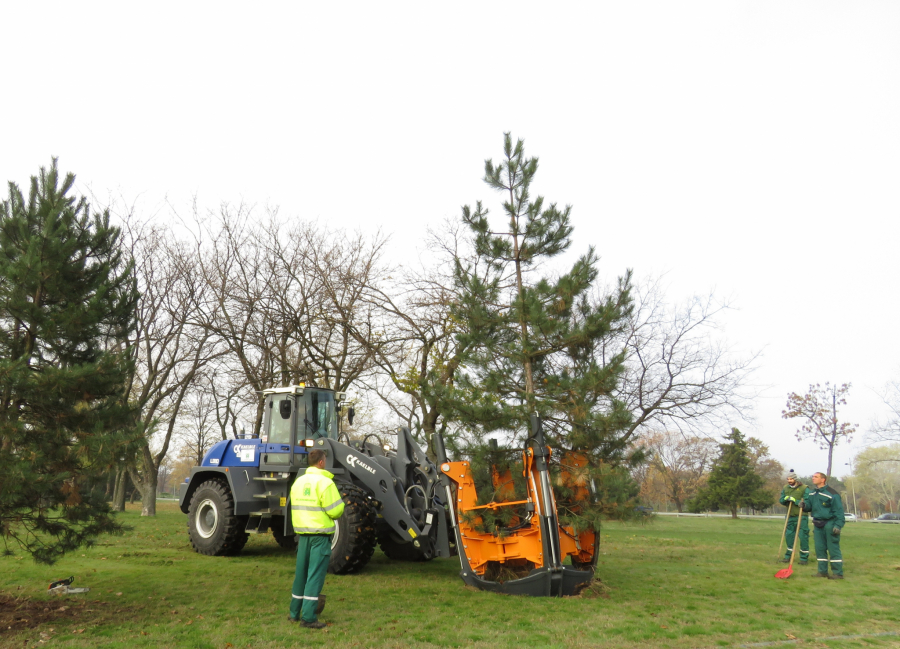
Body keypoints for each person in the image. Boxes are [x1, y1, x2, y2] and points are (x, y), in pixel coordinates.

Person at [288, 448, 345, 627]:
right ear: (321, 462)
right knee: (315, 576)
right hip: (320, 537)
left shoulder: (298, 482)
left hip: (303, 536)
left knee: (301, 575)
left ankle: (294, 613)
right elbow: (336, 510)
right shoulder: (325, 483)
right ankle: (309, 618)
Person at [802, 471, 845, 579]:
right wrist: (804, 505)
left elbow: (839, 511)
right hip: (817, 524)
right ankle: (822, 572)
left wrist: (838, 525)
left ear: (823, 479)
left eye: (816, 477)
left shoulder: (832, 494)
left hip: (830, 524)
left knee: (833, 549)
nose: (813, 478)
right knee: (819, 548)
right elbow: (809, 507)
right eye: (812, 476)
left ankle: (837, 573)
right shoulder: (812, 493)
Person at [778, 470, 811, 564]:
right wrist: (784, 499)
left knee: (803, 536)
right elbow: (781, 500)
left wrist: (796, 501)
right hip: (790, 516)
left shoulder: (804, 488)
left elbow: (807, 502)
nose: (789, 480)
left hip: (801, 516)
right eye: (788, 479)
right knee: (789, 536)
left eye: (791, 479)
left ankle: (804, 558)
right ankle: (788, 556)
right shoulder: (785, 488)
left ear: (795, 479)